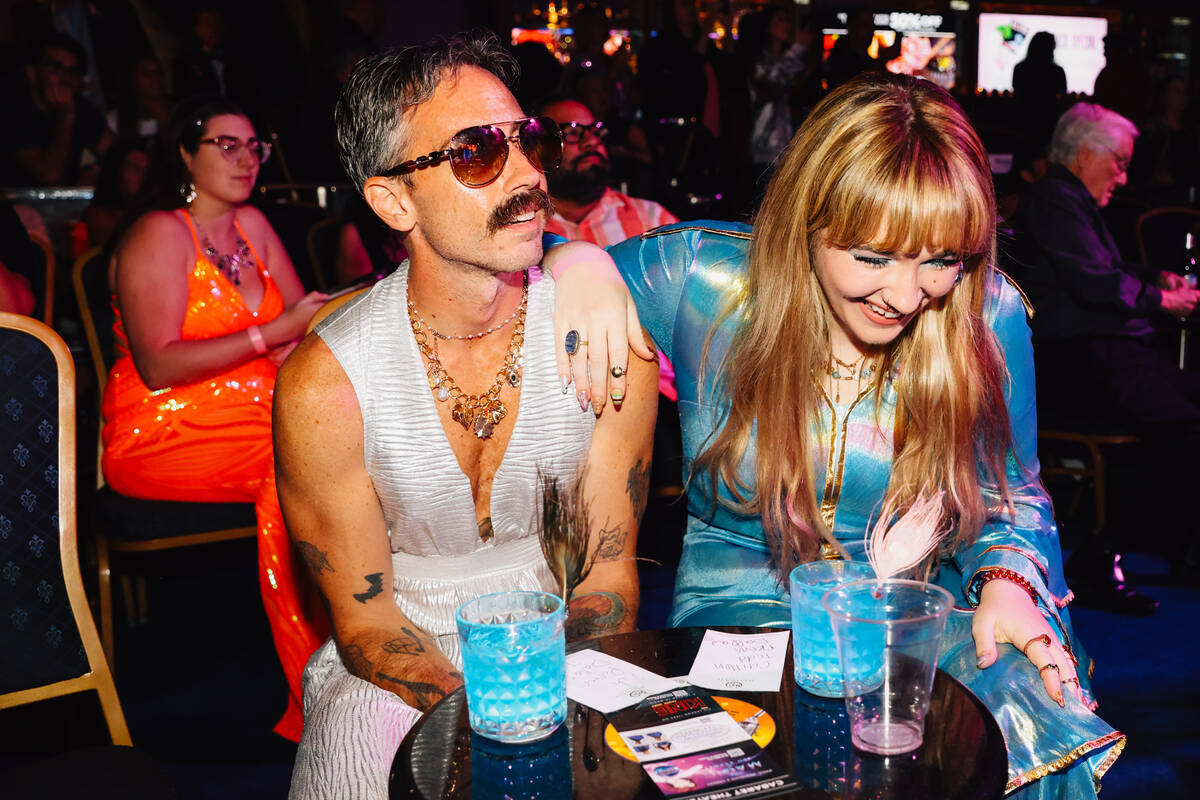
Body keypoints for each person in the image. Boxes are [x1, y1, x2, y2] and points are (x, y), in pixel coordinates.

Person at [552, 73, 1124, 797]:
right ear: (807, 219)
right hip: (743, 609)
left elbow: (1010, 490)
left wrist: (1007, 581)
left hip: (908, 607)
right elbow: (503, 249)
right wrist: (572, 261)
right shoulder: (702, 279)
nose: (907, 295)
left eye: (941, 259)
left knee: (1021, 685)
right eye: (874, 257)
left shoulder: (987, 312)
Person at [275, 34, 657, 800]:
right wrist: (471, 716)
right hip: (392, 661)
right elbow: (368, 625)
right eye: (477, 152)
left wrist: (537, 689)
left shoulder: (607, 342)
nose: (526, 174)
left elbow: (609, 575)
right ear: (392, 200)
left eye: (527, 140)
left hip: (565, 643)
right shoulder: (325, 387)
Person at [100, 95, 330, 740]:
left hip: (258, 411)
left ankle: (376, 643)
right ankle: (319, 691)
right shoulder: (158, 232)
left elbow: (298, 335)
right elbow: (158, 365)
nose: (246, 158)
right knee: (293, 472)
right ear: (185, 153)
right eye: (226, 144)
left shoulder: (253, 224)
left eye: (254, 146)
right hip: (165, 426)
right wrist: (273, 334)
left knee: (353, 444)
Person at [1011, 101, 1200, 604]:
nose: (1122, 175)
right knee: (1181, 426)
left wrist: (1152, 278)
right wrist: (1163, 298)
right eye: (1118, 161)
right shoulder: (1054, 197)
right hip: (1077, 363)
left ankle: (1177, 546)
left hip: (1101, 357)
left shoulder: (1068, 199)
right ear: (1086, 153)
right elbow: (1094, 284)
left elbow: (1102, 270)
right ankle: (1102, 554)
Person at [0, 32, 115, 186]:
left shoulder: (82, 108)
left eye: (73, 71)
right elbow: (49, 175)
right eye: (55, 69)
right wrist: (66, 117)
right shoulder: (12, 108)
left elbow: (117, 155)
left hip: (61, 207)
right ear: (32, 73)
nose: (65, 79)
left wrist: (96, 169)